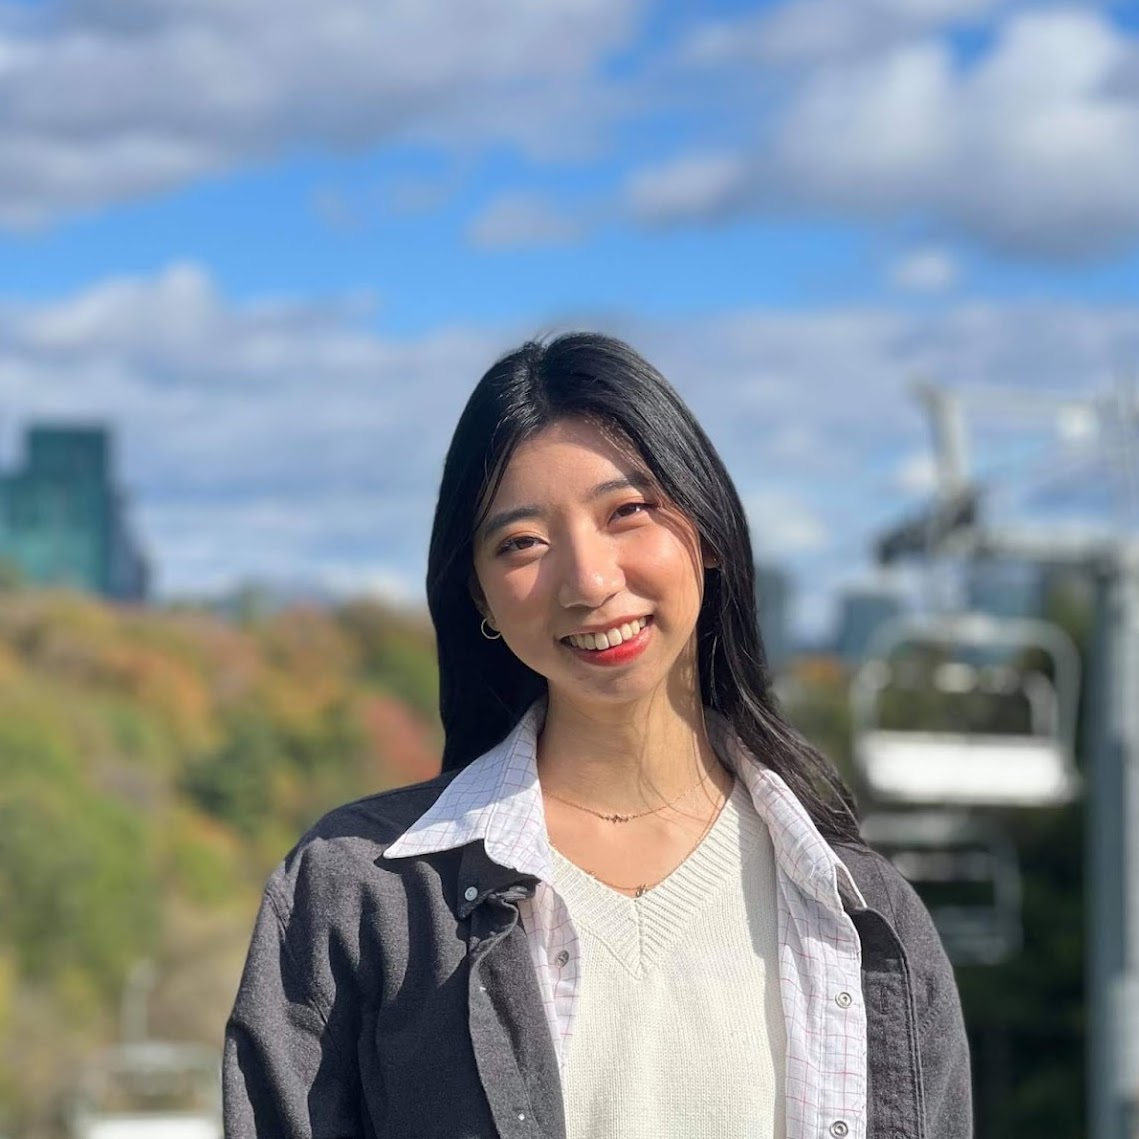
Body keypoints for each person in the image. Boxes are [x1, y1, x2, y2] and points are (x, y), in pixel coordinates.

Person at [223, 333, 972, 1139]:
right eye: (522, 543)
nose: (587, 580)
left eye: (627, 512)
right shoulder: (358, 895)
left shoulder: (862, 915)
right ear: (477, 592)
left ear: (708, 530)